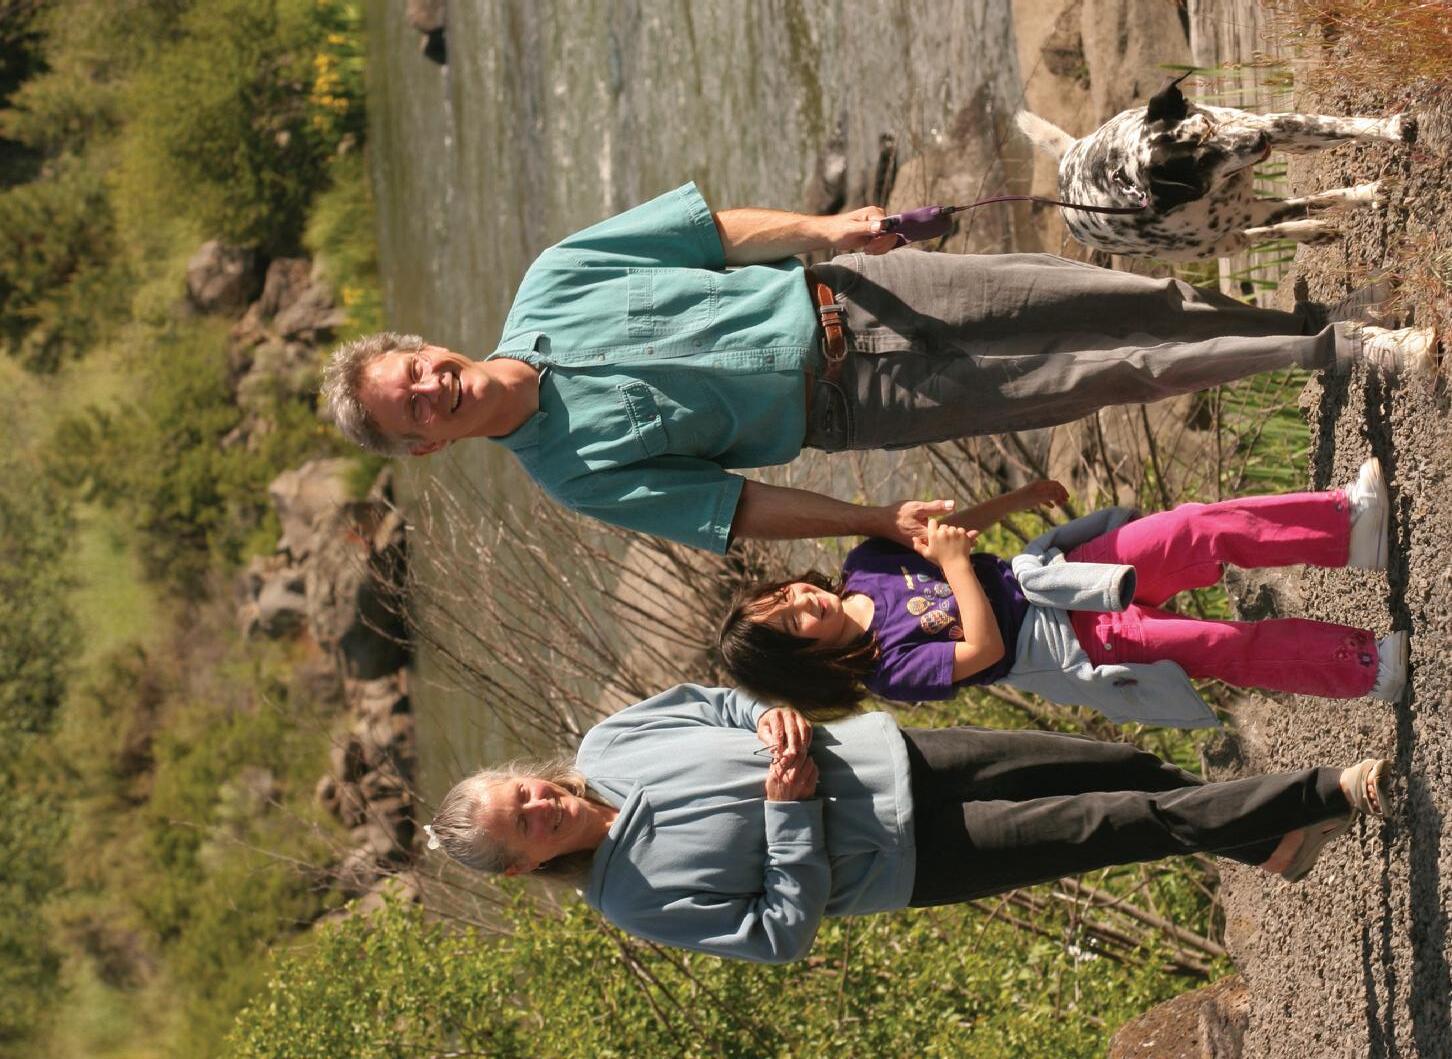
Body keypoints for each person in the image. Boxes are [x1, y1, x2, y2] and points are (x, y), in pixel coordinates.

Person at [320, 182, 1436, 554]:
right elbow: (735, 509)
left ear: (424, 346)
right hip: (860, 404)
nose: (429, 385)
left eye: (414, 367)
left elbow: (710, 235)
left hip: (857, 293)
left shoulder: (556, 275)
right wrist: (871, 522)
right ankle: (1339, 349)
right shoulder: (571, 476)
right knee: (1108, 376)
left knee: (1110, 299)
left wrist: (831, 228)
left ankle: (1301, 324)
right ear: (425, 446)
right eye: (414, 407)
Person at [424, 683, 1391, 964]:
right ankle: (1327, 794)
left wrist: (766, 718)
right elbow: (779, 935)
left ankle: (1269, 840)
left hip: (897, 756)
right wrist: (788, 818)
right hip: (918, 857)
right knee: (1122, 821)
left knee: (1120, 768)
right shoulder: (631, 900)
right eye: (528, 827)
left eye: (526, 793)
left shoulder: (610, 740)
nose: (543, 805)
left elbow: (713, 703)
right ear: (525, 868)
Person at [718, 458, 1408, 728]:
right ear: (802, 660)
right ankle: (1368, 667)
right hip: (1067, 643)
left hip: (1060, 574)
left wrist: (1018, 499)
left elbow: (951, 534)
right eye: (792, 626)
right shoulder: (886, 670)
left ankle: (1349, 529)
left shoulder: (866, 562)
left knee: (1194, 527)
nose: (803, 605)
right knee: (1222, 643)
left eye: (786, 597)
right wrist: (957, 569)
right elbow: (984, 650)